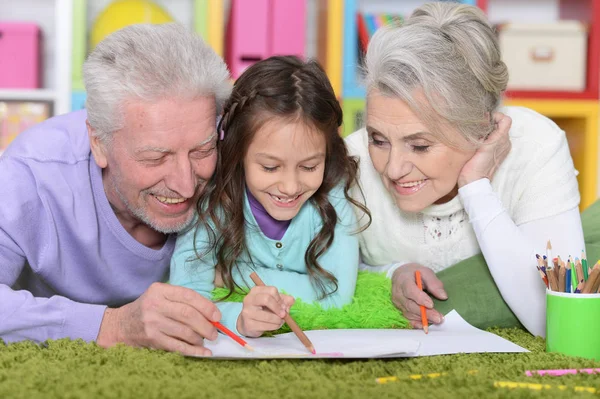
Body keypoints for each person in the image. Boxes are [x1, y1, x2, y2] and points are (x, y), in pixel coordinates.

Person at [345, 2, 584, 337]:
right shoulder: (351, 160)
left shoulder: (535, 145)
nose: (394, 168)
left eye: (420, 145)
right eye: (378, 138)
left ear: (482, 128)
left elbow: (555, 320)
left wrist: (476, 187)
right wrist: (392, 272)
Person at [0, 23, 232, 356]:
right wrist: (113, 326)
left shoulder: (241, 156)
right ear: (100, 144)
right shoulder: (29, 176)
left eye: (202, 150)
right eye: (155, 157)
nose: (185, 183)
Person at [170, 56, 370, 337]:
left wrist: (230, 275)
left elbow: (335, 296)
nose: (289, 187)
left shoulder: (333, 197)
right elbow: (187, 297)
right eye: (270, 167)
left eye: (309, 166)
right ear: (238, 152)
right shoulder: (215, 200)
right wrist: (237, 317)